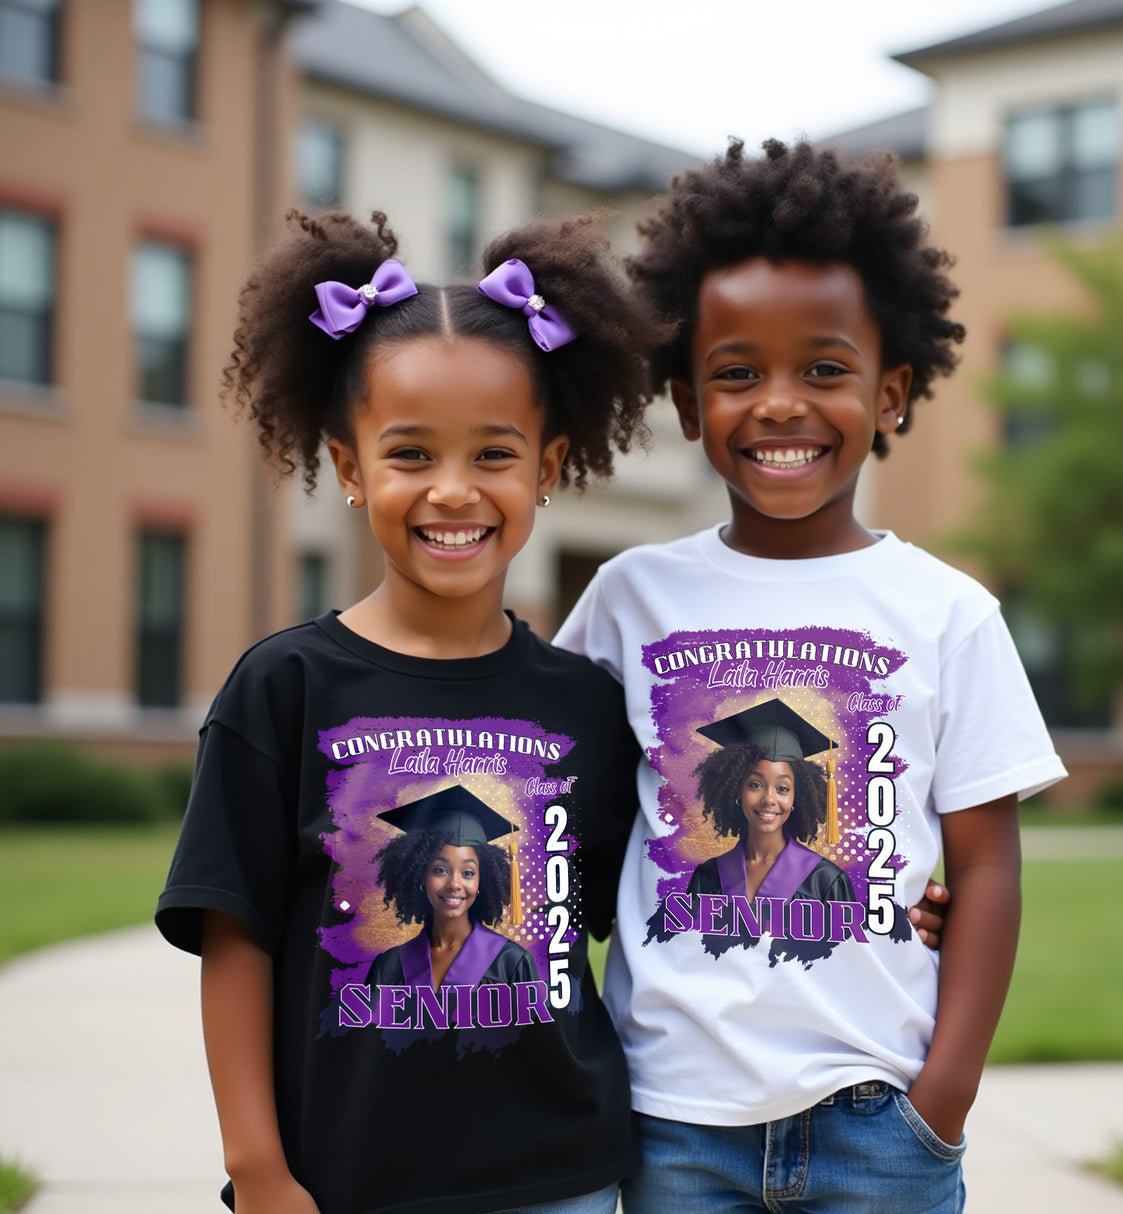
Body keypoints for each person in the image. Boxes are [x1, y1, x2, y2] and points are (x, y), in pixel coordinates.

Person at [555, 139, 1067, 1213]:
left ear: (889, 394)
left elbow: (986, 872)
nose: (779, 404)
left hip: (876, 1119)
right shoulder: (626, 598)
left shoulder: (946, 613)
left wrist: (944, 1100)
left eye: (823, 370)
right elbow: (564, 821)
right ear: (687, 402)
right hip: (672, 1120)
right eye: (736, 373)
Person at [156, 207, 658, 1214]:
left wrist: (910, 902)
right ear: (349, 468)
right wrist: (258, 1167)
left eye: (494, 454)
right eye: (411, 453)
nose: (453, 490)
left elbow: (654, 906)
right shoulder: (285, 685)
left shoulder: (584, 701)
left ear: (547, 468)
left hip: (558, 1180)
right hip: (343, 1183)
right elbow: (234, 939)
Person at [366, 786, 540, 1004]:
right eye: (440, 870)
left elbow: (534, 1037)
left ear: (481, 881)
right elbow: (367, 1036)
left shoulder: (511, 962)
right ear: (421, 875)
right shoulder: (390, 966)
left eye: (468, 873)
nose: (455, 884)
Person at [685, 700, 856, 909]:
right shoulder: (708, 877)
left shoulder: (826, 881)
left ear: (796, 797)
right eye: (755, 785)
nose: (769, 799)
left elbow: (849, 943)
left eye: (783, 788)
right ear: (737, 790)